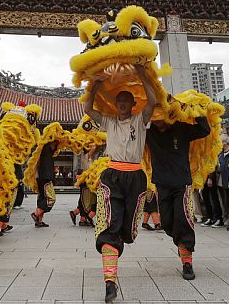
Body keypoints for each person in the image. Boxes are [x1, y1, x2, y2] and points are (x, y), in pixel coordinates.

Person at [84, 64, 156, 303]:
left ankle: (113, 265)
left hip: (136, 177)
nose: (123, 104)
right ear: (115, 105)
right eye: (119, 101)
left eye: (126, 100)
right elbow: (87, 108)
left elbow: (153, 101)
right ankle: (110, 282)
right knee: (110, 226)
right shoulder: (108, 121)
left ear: (133, 104)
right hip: (112, 174)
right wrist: (95, 86)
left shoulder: (140, 120)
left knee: (128, 229)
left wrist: (143, 74)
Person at [145, 114, 210, 280]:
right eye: (155, 116)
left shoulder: (181, 127)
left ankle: (187, 262)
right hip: (161, 183)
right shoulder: (148, 131)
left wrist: (197, 112)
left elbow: (204, 130)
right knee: (166, 222)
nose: (158, 120)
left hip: (182, 183)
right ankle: (181, 242)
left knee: (183, 221)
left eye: (161, 115)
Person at [30, 140, 58, 228]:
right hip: (46, 177)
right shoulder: (46, 148)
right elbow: (52, 148)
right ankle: (35, 214)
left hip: (41, 177)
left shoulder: (42, 149)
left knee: (42, 198)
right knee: (51, 198)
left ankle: (39, 221)